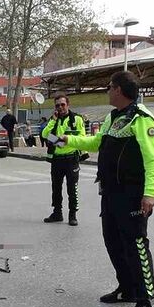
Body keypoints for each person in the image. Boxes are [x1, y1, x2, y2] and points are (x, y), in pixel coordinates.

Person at [60, 71, 154, 307]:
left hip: (132, 194)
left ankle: (147, 301)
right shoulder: (113, 117)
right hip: (111, 192)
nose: (107, 90)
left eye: (109, 87)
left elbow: (153, 161)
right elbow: (97, 143)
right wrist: (69, 139)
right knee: (113, 242)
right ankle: (127, 288)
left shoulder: (142, 119)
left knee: (136, 245)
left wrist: (150, 194)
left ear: (119, 90)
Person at [40, 94, 86, 226]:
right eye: (57, 105)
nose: (60, 107)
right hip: (57, 160)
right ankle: (57, 213)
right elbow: (44, 134)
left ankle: (73, 214)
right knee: (56, 188)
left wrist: (62, 141)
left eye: (62, 104)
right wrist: (58, 140)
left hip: (71, 159)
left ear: (68, 105)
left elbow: (81, 138)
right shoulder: (54, 120)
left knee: (72, 188)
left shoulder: (76, 119)